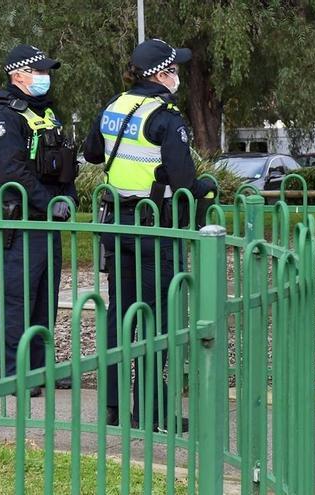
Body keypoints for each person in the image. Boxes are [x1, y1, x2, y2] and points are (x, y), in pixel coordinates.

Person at [83, 39, 216, 430]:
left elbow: (93, 154)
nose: (178, 76)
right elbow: (183, 178)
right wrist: (202, 187)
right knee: (157, 319)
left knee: (119, 316)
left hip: (115, 224)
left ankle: (112, 406)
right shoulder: (166, 117)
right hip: (154, 228)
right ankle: (152, 413)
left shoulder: (114, 107)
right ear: (160, 74)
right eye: (174, 70)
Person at [0, 45, 78, 394]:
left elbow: (66, 159)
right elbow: (11, 171)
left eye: (46, 71)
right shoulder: (3, 117)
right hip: (21, 222)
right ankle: (12, 373)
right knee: (17, 299)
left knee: (44, 299)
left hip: (47, 221)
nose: (44, 77)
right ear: (18, 75)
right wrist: (47, 202)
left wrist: (67, 196)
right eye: (38, 71)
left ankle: (38, 369)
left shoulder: (45, 113)